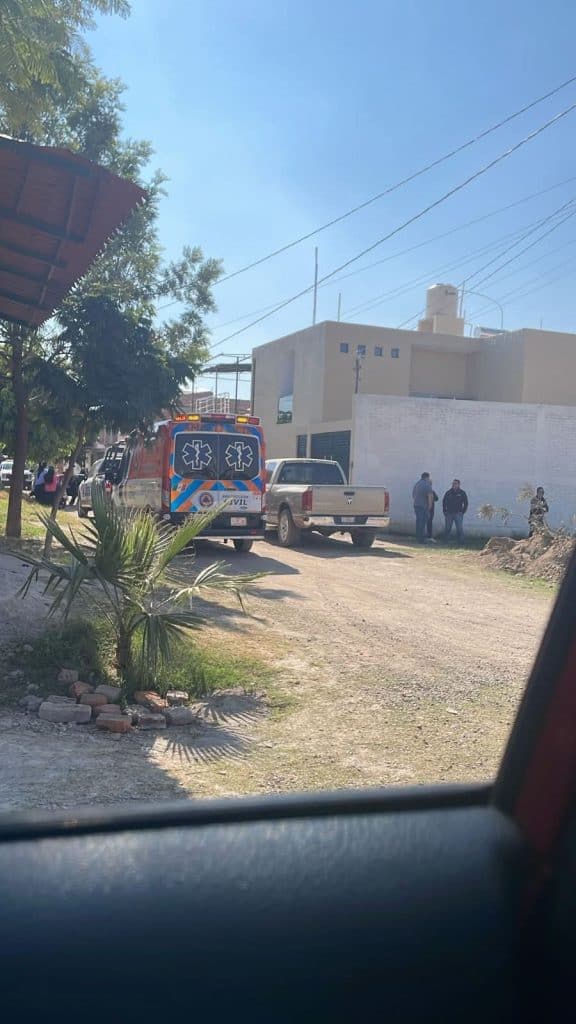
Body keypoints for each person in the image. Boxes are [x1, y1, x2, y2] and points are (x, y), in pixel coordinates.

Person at [412, 472, 434, 544]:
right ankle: (422, 539)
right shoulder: (427, 485)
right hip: (424, 506)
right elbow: (430, 496)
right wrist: (430, 507)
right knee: (423, 523)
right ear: (427, 477)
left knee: (418, 522)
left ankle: (418, 538)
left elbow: (413, 495)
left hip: (416, 505)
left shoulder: (417, 484)